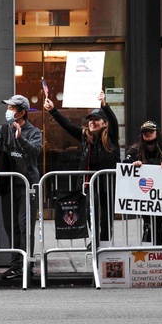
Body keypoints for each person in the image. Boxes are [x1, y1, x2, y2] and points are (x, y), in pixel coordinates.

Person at [44, 90, 120, 243]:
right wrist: (53, 110)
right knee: (90, 212)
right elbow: (68, 126)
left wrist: (104, 105)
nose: (92, 122)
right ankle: (96, 240)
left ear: (105, 123)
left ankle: (104, 242)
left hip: (107, 184)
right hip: (89, 184)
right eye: (90, 119)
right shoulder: (86, 138)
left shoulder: (111, 137)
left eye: (96, 119)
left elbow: (114, 120)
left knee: (105, 215)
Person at [0, 94, 42, 280]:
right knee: (11, 226)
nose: (8, 111)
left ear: (22, 113)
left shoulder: (34, 132)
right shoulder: (4, 129)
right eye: (8, 107)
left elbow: (35, 151)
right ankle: (16, 264)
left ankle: (27, 265)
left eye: (12, 108)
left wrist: (21, 139)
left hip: (27, 186)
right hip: (8, 186)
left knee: (25, 226)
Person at [124, 120, 162, 245]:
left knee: (159, 225)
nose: (147, 133)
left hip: (160, 195)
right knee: (148, 224)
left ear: (157, 132)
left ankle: (157, 252)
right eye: (145, 131)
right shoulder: (135, 149)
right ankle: (147, 250)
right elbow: (124, 165)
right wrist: (133, 164)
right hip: (142, 195)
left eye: (150, 131)